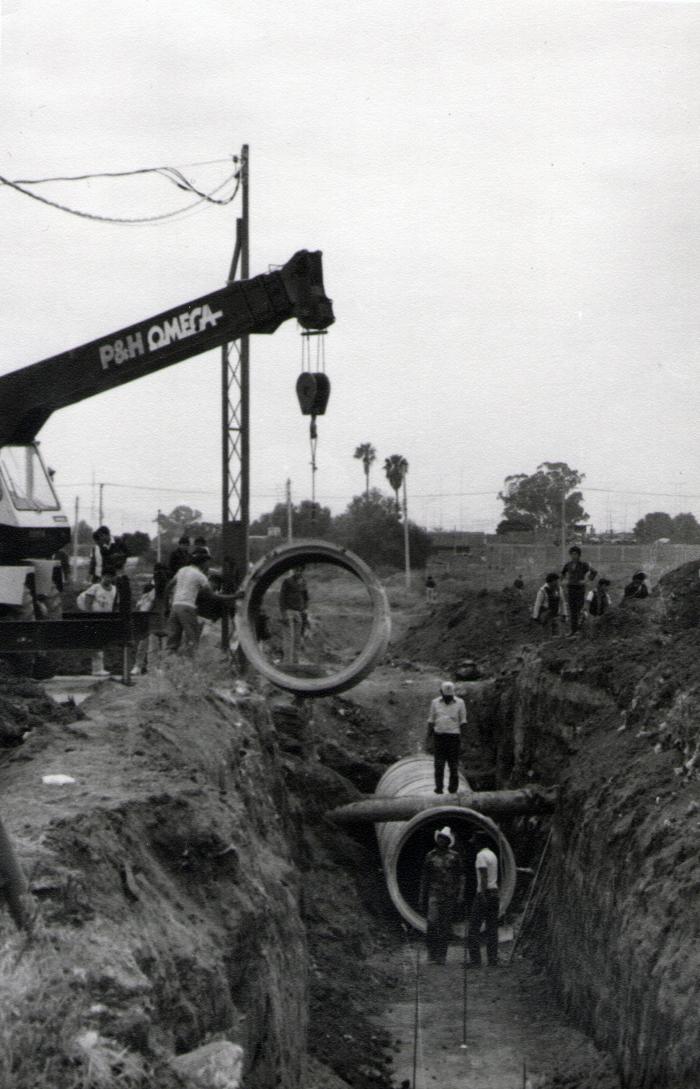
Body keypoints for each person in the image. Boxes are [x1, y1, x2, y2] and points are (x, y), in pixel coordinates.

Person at [166, 547, 236, 657]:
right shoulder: (200, 576)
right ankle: (191, 663)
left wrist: (168, 604)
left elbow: (169, 586)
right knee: (193, 640)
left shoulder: (182, 570)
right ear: (203, 562)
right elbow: (212, 596)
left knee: (172, 642)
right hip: (187, 608)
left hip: (175, 607)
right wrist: (234, 596)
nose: (208, 565)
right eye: (207, 562)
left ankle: (168, 663)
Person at [418, 826, 465, 965]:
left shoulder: (455, 856)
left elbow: (461, 876)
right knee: (432, 923)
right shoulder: (430, 856)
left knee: (445, 926)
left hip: (449, 895)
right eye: (440, 838)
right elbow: (424, 877)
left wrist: (461, 894)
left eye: (444, 839)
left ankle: (441, 956)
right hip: (434, 894)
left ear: (448, 841)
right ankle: (431, 954)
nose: (441, 840)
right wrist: (421, 896)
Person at [425, 681, 467, 794]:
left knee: (453, 766)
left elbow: (463, 722)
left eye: (450, 696)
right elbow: (431, 721)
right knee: (439, 765)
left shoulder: (460, 703)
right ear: (441, 693)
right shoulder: (434, 703)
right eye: (446, 696)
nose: (448, 699)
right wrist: (428, 738)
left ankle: (453, 790)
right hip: (439, 737)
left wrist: (463, 741)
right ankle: (439, 789)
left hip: (454, 738)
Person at [467, 830, 500, 968]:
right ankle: (492, 959)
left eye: (475, 842)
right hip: (495, 893)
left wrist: (482, 894)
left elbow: (484, 876)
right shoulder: (492, 854)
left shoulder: (480, 855)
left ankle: (475, 961)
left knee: (473, 928)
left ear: (479, 843)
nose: (473, 844)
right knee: (492, 928)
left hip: (484, 894)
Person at [77, 567, 117, 676]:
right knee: (96, 644)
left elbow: (114, 605)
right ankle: (97, 669)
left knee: (102, 643)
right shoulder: (95, 587)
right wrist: (89, 616)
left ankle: (100, 667)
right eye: (106, 576)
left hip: (106, 619)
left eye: (110, 577)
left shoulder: (114, 589)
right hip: (95, 618)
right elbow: (87, 602)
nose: (108, 579)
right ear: (102, 577)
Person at [132, 562, 170, 675]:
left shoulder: (165, 587)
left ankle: (156, 666)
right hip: (149, 617)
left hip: (159, 617)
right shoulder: (150, 587)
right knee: (146, 643)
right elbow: (145, 604)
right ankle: (140, 665)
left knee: (157, 644)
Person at [561, 545, 597, 634]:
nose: (574, 556)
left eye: (576, 554)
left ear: (579, 555)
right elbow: (562, 574)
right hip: (571, 589)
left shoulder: (583, 565)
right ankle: (573, 630)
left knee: (580, 609)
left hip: (580, 589)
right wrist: (564, 582)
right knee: (572, 610)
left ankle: (581, 630)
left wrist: (586, 580)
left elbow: (594, 572)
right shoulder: (568, 565)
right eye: (572, 554)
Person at [279, 566, 309, 664]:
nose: (298, 572)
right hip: (289, 611)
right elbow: (282, 598)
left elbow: (306, 597)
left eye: (300, 570)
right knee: (289, 638)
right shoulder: (287, 581)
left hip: (299, 612)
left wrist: (305, 609)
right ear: (293, 570)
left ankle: (295, 661)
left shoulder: (303, 582)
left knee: (297, 638)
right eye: (296, 570)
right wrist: (283, 613)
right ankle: (287, 662)